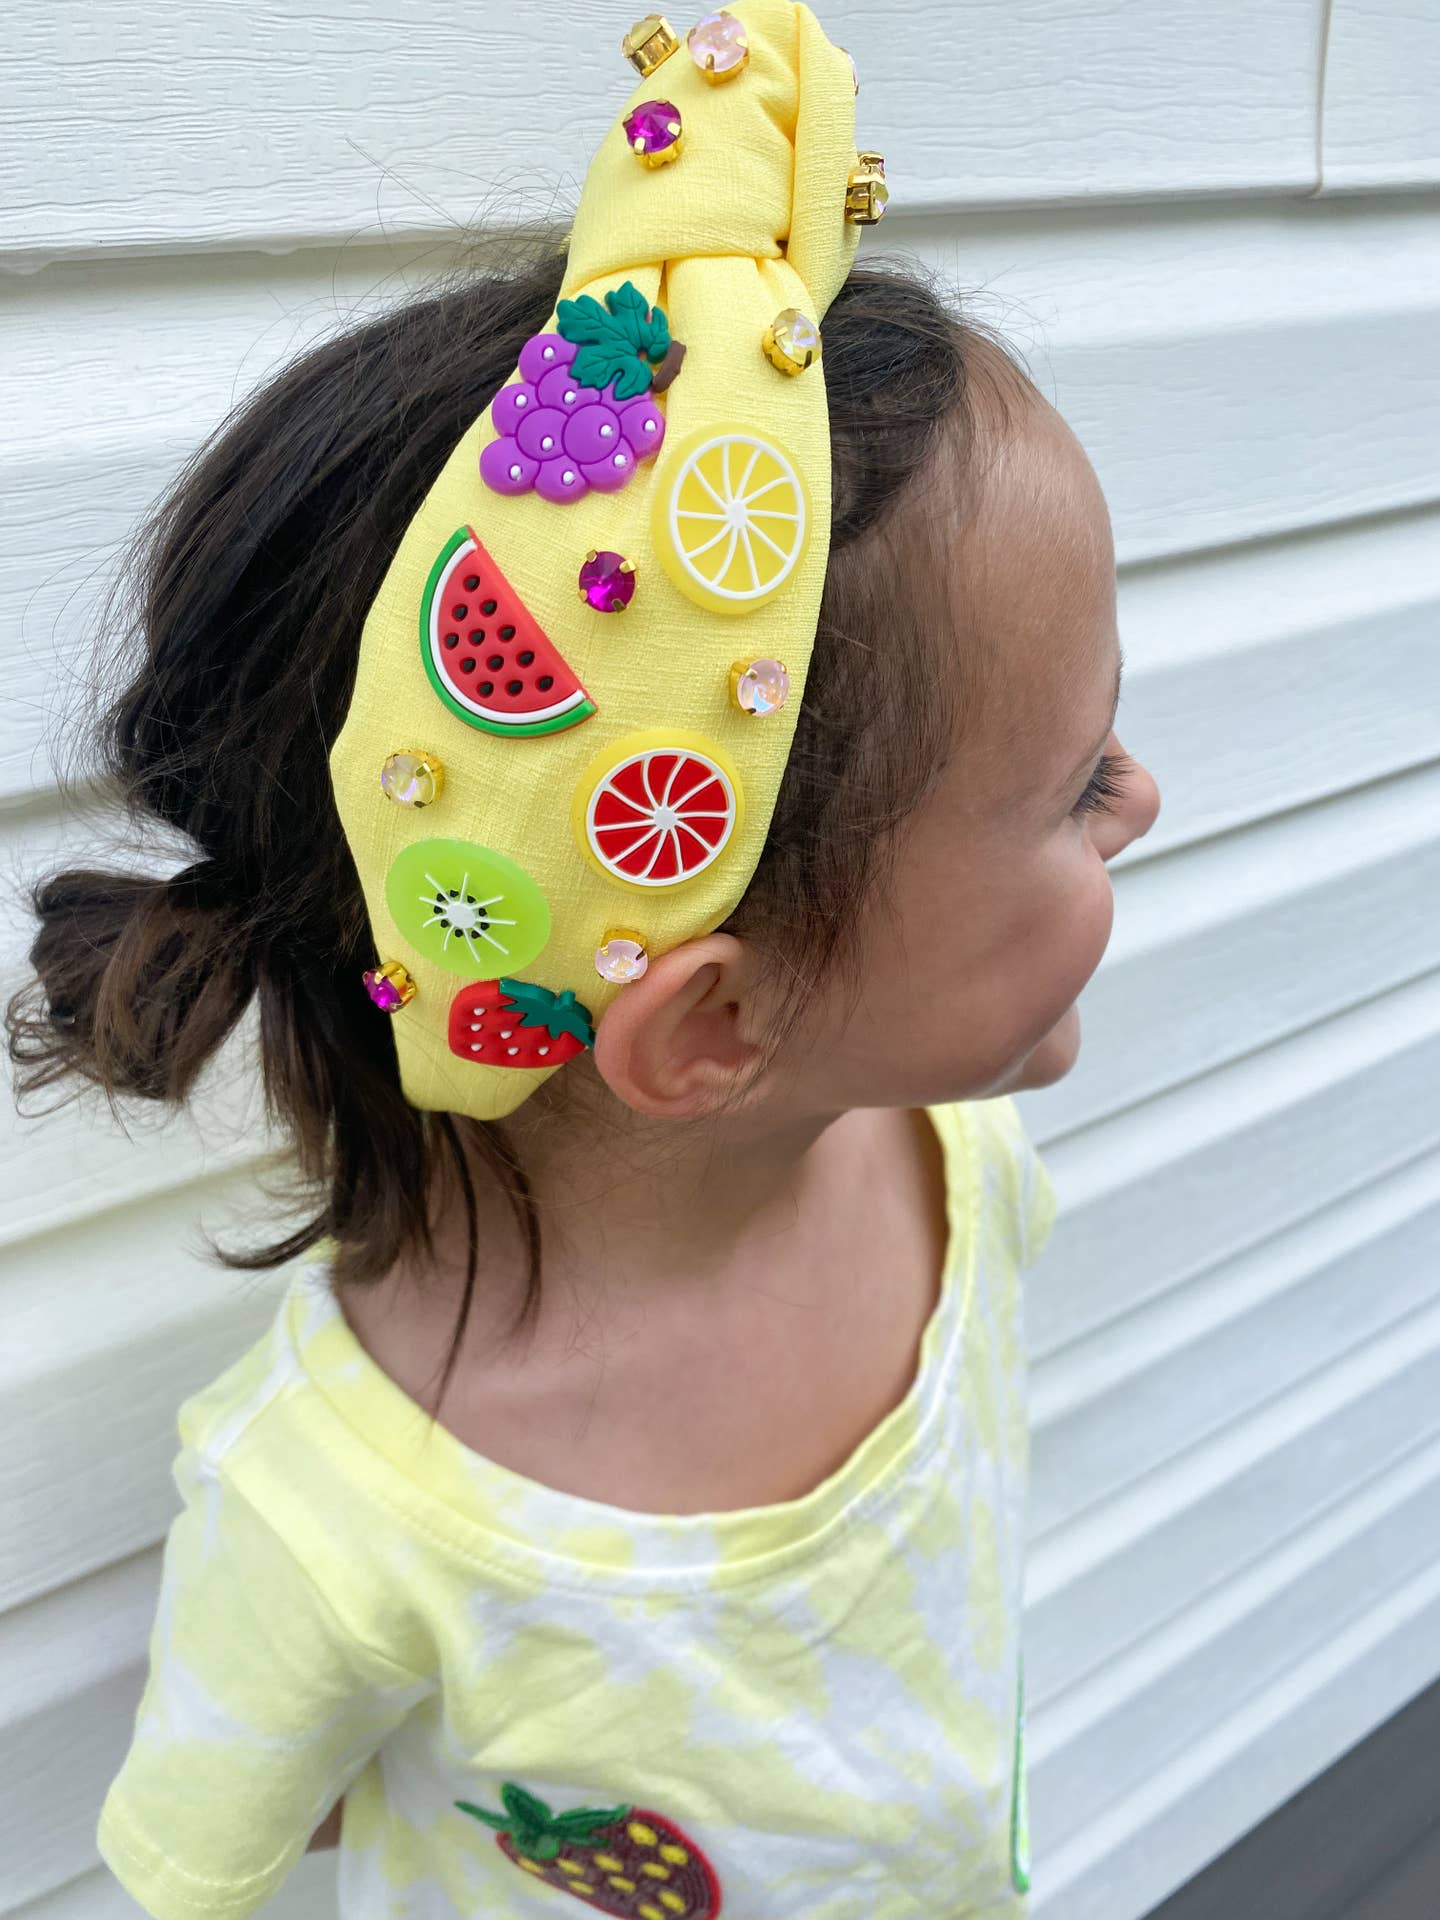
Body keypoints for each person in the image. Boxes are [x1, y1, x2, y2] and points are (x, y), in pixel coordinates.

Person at [8, 4, 1159, 1916]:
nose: (1142, 799)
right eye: (1074, 783)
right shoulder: (337, 1523)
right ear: (713, 1027)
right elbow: (211, 1857)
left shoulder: (957, 1175)